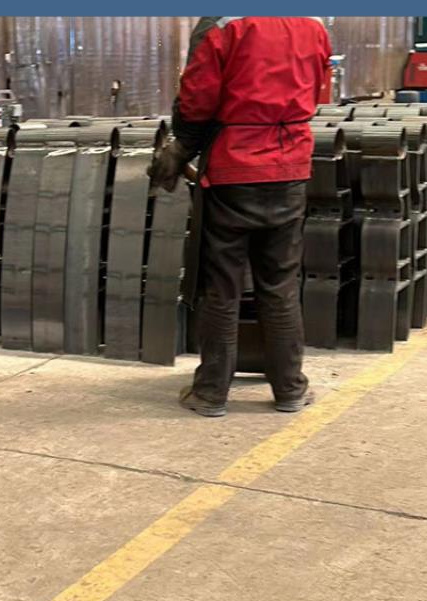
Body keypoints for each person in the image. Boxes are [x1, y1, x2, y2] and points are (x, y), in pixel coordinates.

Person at [149, 17, 332, 417]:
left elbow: (198, 99)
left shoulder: (223, 21)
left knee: (223, 285)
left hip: (235, 168)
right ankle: (290, 389)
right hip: (290, 167)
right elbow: (319, 90)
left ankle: (211, 393)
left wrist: (182, 148)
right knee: (280, 283)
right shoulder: (314, 22)